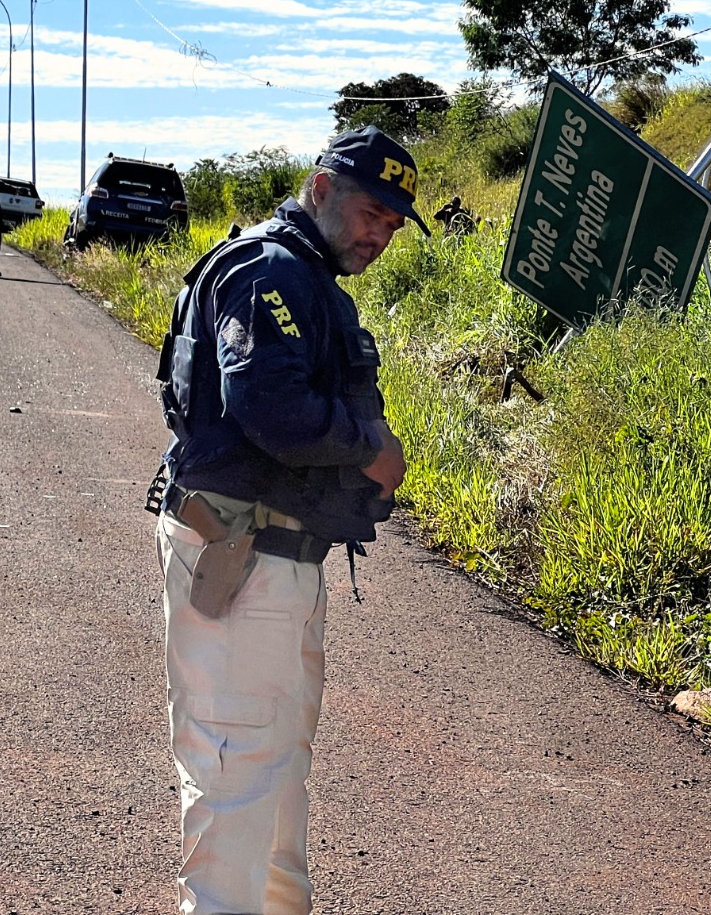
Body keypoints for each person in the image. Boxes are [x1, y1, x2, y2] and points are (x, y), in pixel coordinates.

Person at [152, 126, 425, 915]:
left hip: (276, 557)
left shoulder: (301, 275)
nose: (382, 234)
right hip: (244, 553)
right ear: (320, 189)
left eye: (394, 223)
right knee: (237, 766)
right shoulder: (273, 270)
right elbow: (270, 405)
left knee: (275, 765)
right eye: (373, 211)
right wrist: (371, 449)